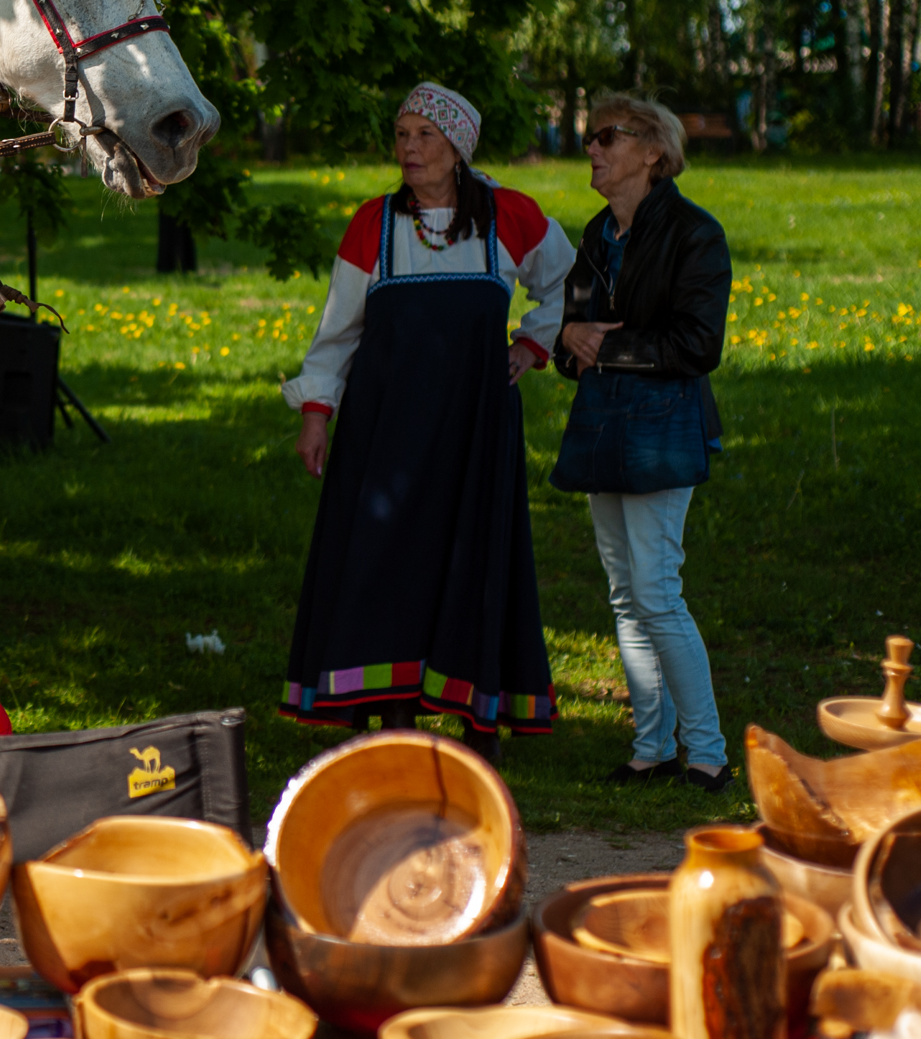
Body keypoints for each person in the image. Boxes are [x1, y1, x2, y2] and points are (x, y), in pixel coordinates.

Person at [281, 83, 577, 762]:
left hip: (475, 428)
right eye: (403, 134)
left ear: (458, 148)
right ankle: (387, 713)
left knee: (472, 556)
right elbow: (336, 334)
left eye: (425, 136)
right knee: (382, 559)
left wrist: (532, 344)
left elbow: (570, 279)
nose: (410, 148)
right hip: (384, 434)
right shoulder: (374, 224)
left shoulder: (509, 216)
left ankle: (477, 719)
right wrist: (316, 414)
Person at [551, 96, 734, 792]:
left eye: (606, 136)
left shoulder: (696, 234)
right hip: (604, 424)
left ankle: (708, 751)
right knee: (626, 595)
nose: (591, 148)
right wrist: (575, 342)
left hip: (664, 425)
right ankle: (652, 745)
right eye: (590, 136)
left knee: (657, 591)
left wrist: (608, 343)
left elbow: (698, 344)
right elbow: (572, 338)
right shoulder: (597, 234)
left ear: (654, 150)